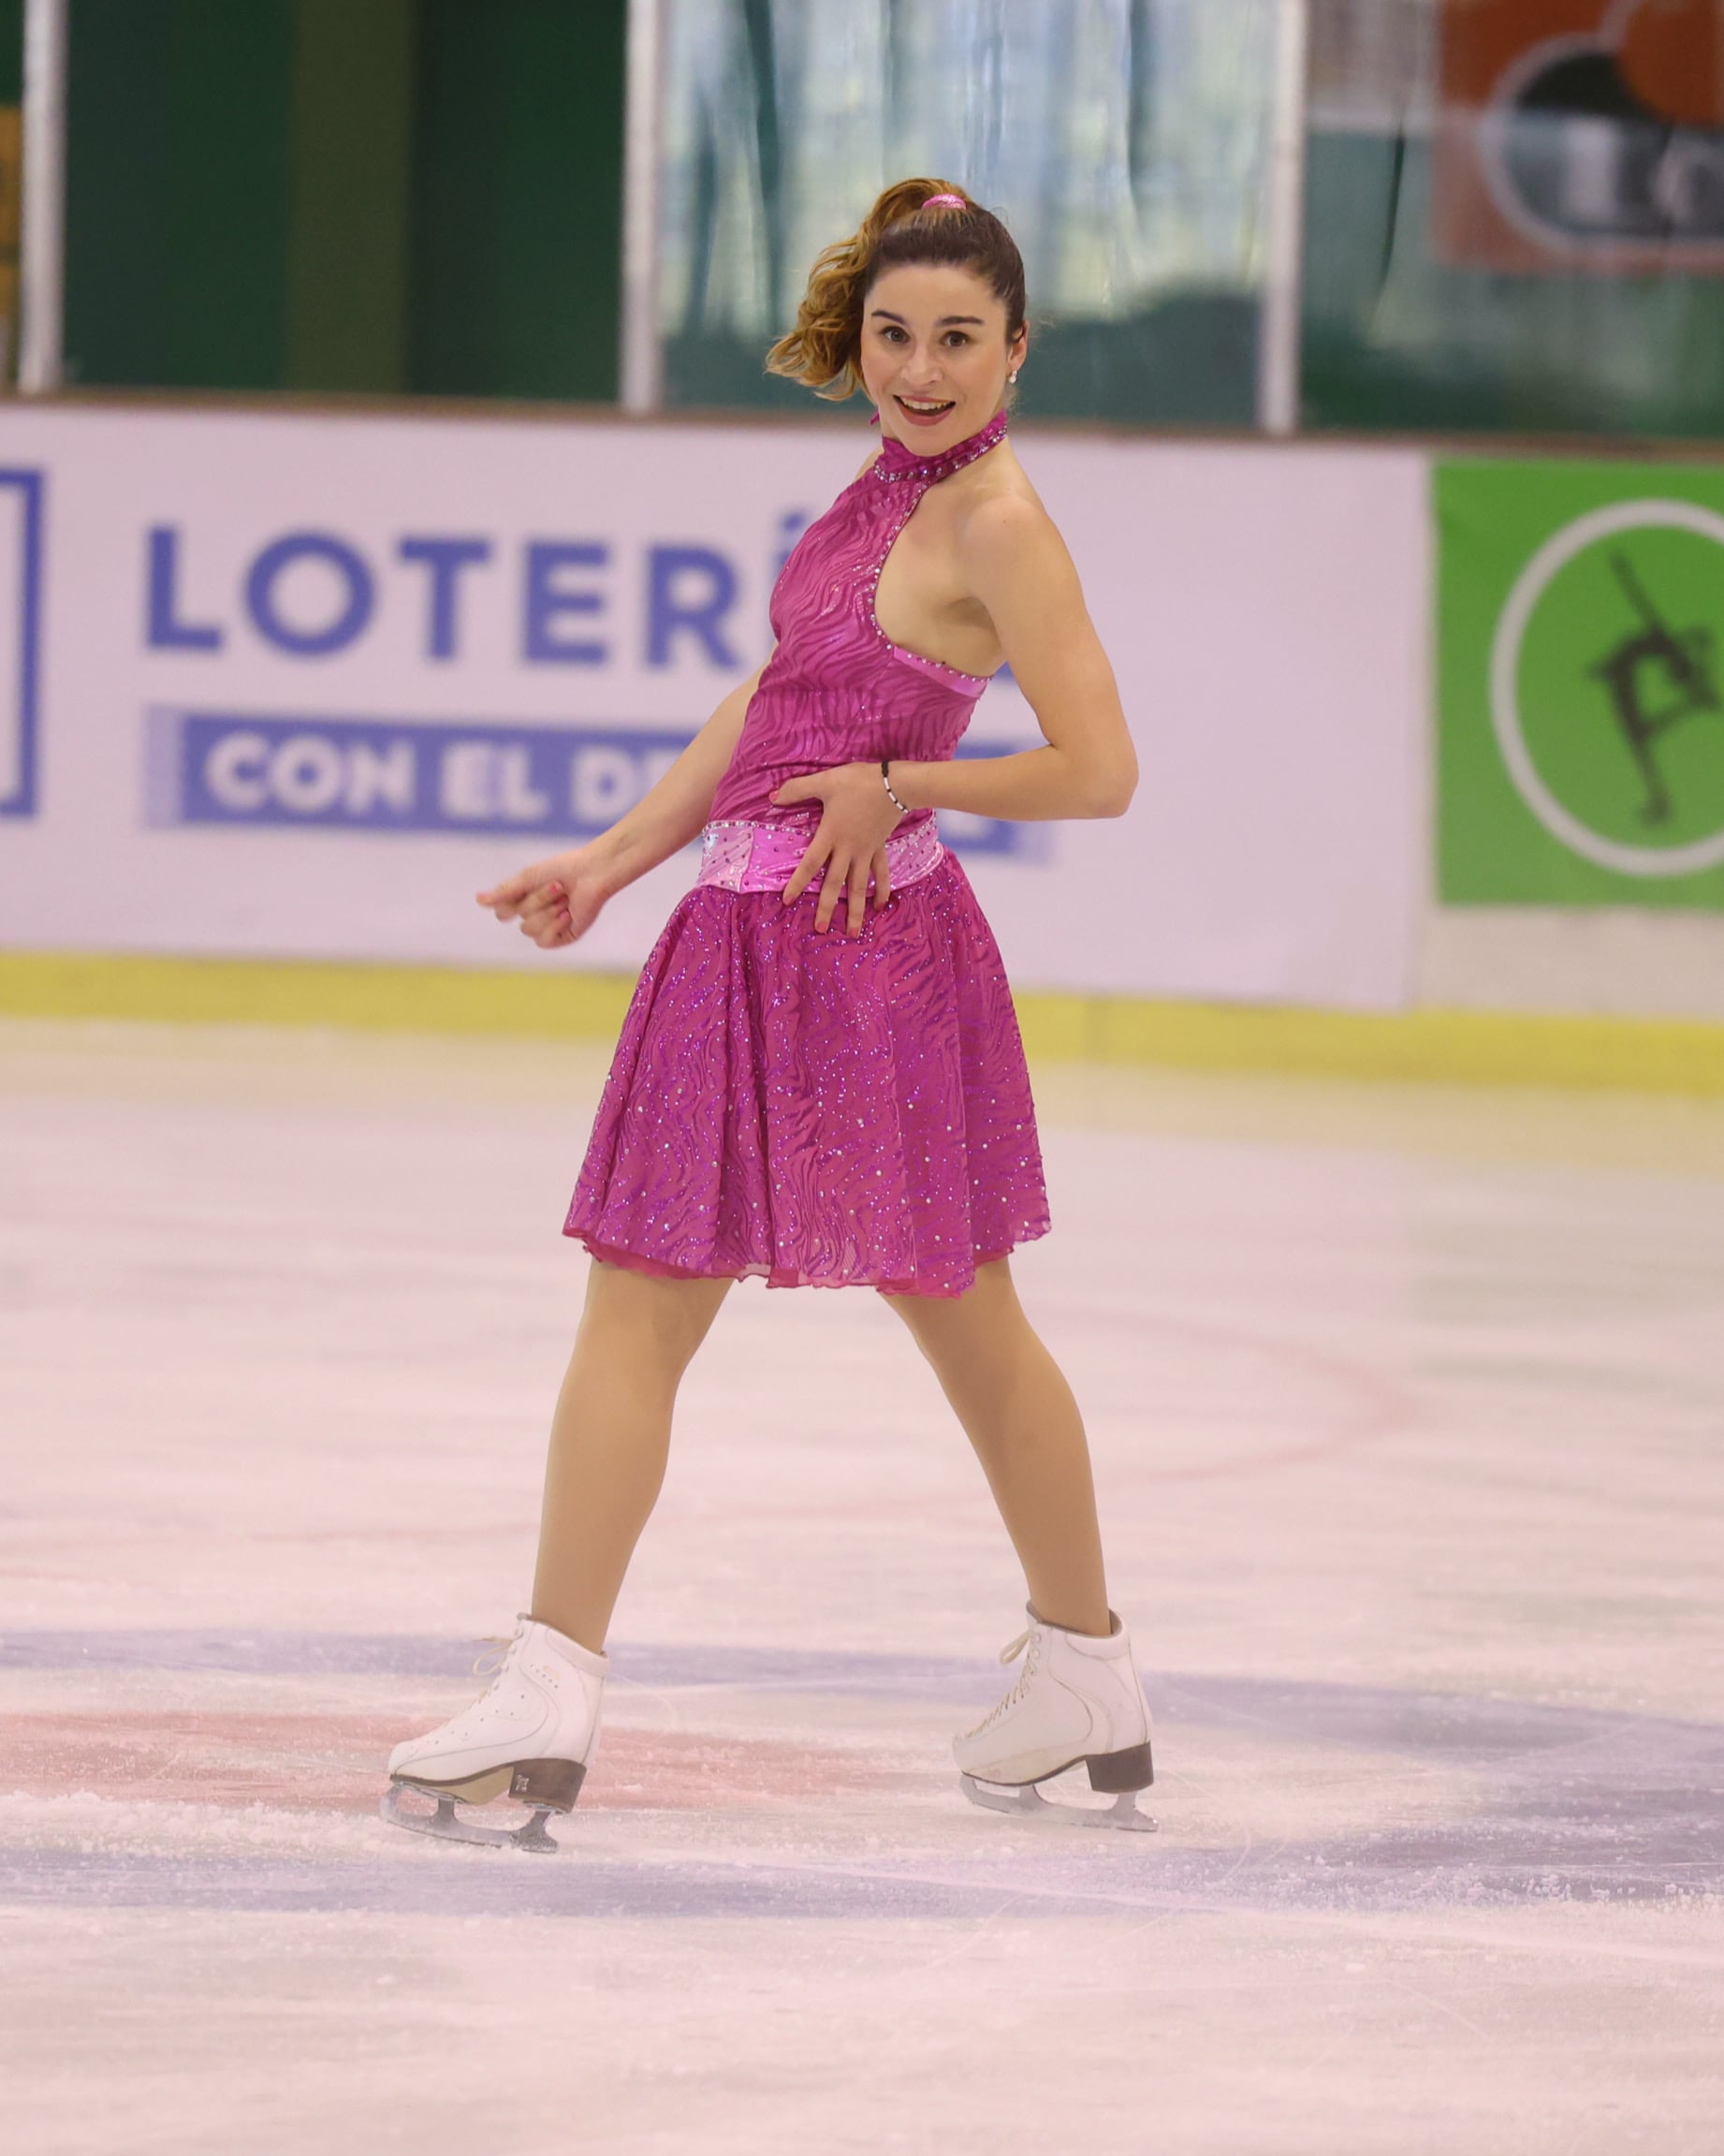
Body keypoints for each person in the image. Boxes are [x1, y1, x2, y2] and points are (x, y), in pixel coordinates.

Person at [381, 179, 1154, 1850]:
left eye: (958, 340)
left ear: (1017, 348)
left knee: (845, 1311)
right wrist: (614, 855)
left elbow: (1096, 769)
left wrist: (900, 778)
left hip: (856, 948)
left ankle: (547, 1686)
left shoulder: (997, 524)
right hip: (753, 928)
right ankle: (1082, 1668)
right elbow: (779, 696)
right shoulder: (882, 486)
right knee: (888, 1318)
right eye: (895, 336)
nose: (921, 369)